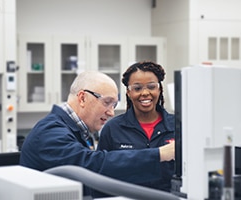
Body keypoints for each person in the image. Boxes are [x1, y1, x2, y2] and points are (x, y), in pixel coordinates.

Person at [19, 70, 174, 198]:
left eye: (114, 105)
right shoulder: (51, 133)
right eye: (107, 102)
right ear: (82, 98)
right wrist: (159, 154)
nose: (111, 112)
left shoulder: (77, 131)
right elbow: (92, 166)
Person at [97, 61, 175, 192]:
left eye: (151, 86)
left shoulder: (178, 126)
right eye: (137, 88)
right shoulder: (113, 129)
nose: (145, 93)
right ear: (128, 92)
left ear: (159, 89)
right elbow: (101, 172)